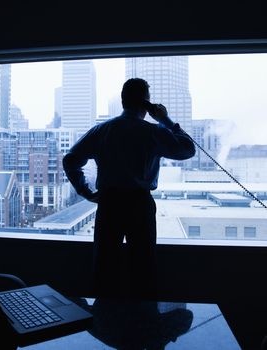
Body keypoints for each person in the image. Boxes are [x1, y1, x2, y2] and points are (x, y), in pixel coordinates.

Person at [63, 78, 195, 298]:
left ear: (123, 100)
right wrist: (165, 120)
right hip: (139, 204)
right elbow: (187, 149)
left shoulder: (102, 130)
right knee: (143, 266)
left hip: (109, 203)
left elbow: (71, 160)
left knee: (104, 265)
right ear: (146, 104)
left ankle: (105, 321)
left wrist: (85, 191)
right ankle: (143, 323)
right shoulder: (153, 132)